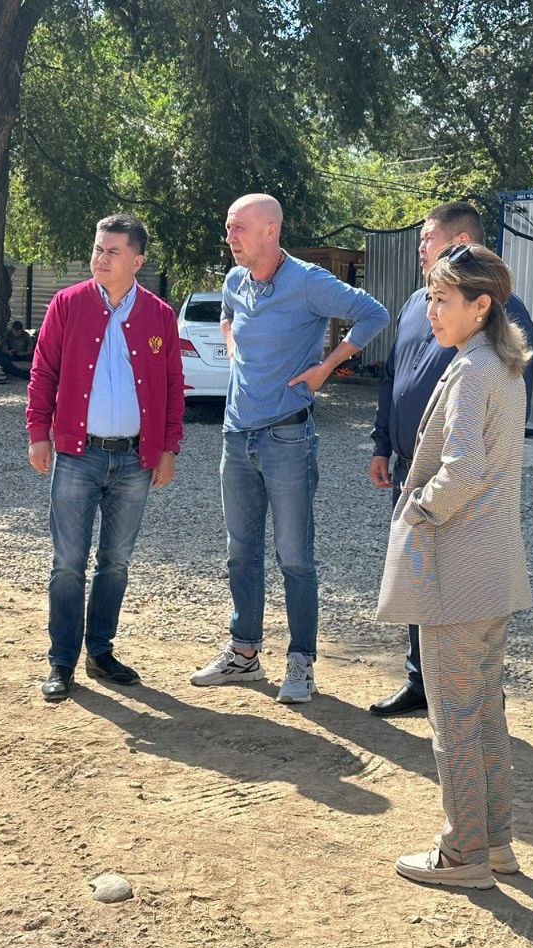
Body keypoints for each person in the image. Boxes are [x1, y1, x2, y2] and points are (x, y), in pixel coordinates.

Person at [189, 193, 390, 704]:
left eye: (239, 228)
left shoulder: (308, 282)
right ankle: (244, 656)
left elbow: (373, 314)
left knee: (295, 557)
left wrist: (327, 367)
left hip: (288, 437)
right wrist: (231, 338)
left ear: (270, 231)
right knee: (241, 552)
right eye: (228, 228)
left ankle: (301, 662)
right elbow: (229, 313)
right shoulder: (236, 280)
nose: (230, 237)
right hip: (237, 438)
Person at [377, 243, 533, 890]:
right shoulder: (500, 362)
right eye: (432, 296)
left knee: (454, 720)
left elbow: (461, 469)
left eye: (443, 299)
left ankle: (463, 854)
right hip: (493, 574)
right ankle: (493, 844)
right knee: (485, 713)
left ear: (481, 305)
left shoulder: (472, 371)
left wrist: (419, 516)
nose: (430, 309)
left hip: (457, 574)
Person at [367, 202, 533, 717]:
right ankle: (422, 680)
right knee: (420, 583)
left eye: (428, 238)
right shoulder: (418, 303)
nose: (420, 247)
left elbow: (501, 414)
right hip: (409, 466)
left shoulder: (499, 318)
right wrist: (381, 442)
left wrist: (423, 504)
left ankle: (470, 696)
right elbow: (395, 375)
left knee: (454, 591)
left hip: (451, 487)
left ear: (462, 241)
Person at [25, 213, 184, 702]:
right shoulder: (67, 305)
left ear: (137, 260)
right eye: (97, 249)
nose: (100, 258)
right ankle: (61, 661)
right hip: (77, 454)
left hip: (135, 461)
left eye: (112, 252)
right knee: (68, 562)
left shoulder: (159, 315)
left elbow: (174, 386)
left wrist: (167, 447)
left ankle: (101, 651)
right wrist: (38, 432)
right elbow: (43, 371)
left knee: (114, 562)